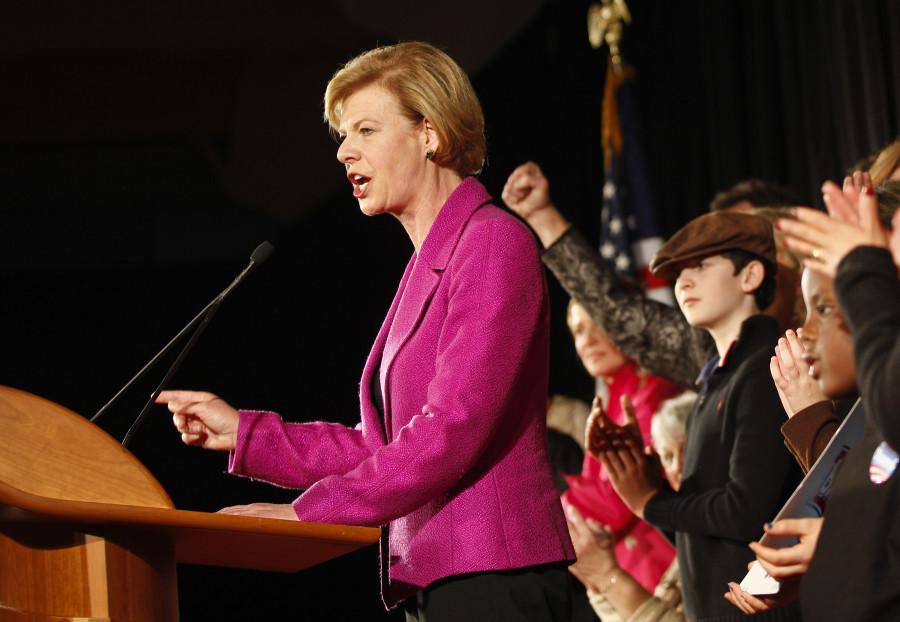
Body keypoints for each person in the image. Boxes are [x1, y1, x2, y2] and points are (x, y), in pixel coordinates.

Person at [156, 41, 574, 621]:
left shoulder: (493, 242)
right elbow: (380, 447)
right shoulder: (431, 262)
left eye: (366, 130)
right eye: (343, 137)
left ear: (430, 133)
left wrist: (307, 514)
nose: (345, 152)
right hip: (445, 579)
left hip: (492, 574)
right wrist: (246, 435)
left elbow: (452, 428)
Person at [587, 211, 803, 621]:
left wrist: (651, 503)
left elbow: (746, 512)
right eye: (680, 273)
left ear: (751, 276)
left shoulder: (762, 368)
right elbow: (705, 541)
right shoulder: (717, 383)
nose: (683, 282)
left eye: (701, 266)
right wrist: (646, 480)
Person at [501, 163, 804, 388]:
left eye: (753, 238)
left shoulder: (839, 323)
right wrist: (542, 218)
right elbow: (624, 316)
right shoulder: (712, 353)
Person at [562, 301, 681, 604]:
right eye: (578, 331)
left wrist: (553, 498)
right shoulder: (612, 396)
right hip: (631, 574)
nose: (587, 341)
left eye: (597, 324)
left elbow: (615, 504)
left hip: (662, 573)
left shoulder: (652, 390)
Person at [567, 391, 696, 622]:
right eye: (667, 456)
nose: (677, 468)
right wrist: (597, 582)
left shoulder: (733, 535)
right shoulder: (688, 548)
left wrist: (607, 577)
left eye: (689, 453)